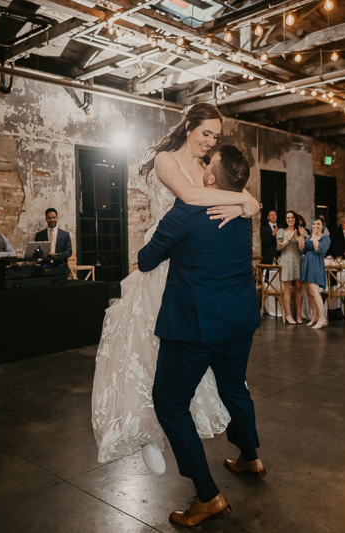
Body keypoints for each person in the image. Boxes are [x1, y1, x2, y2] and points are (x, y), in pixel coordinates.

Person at [91, 103, 259, 476]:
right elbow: (190, 198)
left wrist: (246, 203)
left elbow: (244, 196)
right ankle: (146, 431)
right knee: (142, 350)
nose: (210, 142)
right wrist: (241, 201)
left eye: (216, 137)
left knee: (186, 364)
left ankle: (178, 431)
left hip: (192, 266)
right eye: (205, 134)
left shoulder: (209, 168)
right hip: (165, 261)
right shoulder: (168, 160)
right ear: (188, 127)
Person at [138, 145, 262, 527]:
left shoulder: (187, 212)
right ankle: (249, 456)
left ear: (210, 178)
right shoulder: (243, 214)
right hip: (239, 323)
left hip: (194, 330)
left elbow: (146, 259)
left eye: (208, 163)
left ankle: (207, 496)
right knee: (235, 388)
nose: (203, 164)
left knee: (170, 404)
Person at [301, 218, 331, 329]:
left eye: (318, 224)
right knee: (308, 292)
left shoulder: (325, 238)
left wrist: (313, 236)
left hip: (316, 264)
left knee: (314, 291)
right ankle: (315, 316)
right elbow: (302, 249)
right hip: (307, 264)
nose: (315, 225)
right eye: (314, 224)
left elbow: (319, 249)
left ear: (322, 226)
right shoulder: (309, 237)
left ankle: (322, 318)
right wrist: (300, 237)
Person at [276, 211, 305, 324]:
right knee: (287, 288)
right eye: (288, 218)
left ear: (295, 219)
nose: (290, 219)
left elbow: (302, 247)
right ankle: (288, 315)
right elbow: (278, 247)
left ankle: (298, 315)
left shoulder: (301, 231)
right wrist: (289, 239)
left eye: (292, 217)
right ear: (285, 219)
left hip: (298, 260)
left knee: (298, 287)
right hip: (286, 260)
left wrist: (299, 236)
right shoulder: (281, 231)